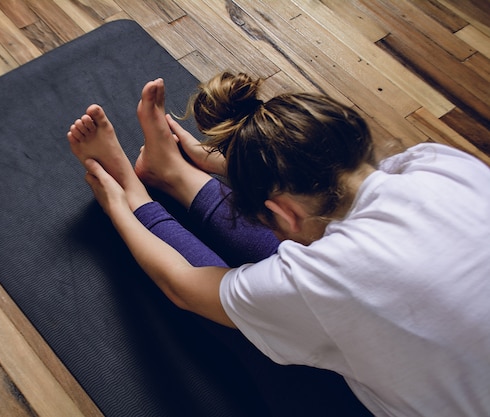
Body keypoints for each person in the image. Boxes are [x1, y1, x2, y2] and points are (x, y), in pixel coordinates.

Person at [67, 73, 490, 416]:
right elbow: (322, 179)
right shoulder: (439, 165)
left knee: (267, 322)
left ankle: (147, 185)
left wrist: (122, 202)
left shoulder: (324, 278)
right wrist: (207, 160)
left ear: (283, 213)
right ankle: (173, 173)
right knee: (311, 283)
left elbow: (184, 287)